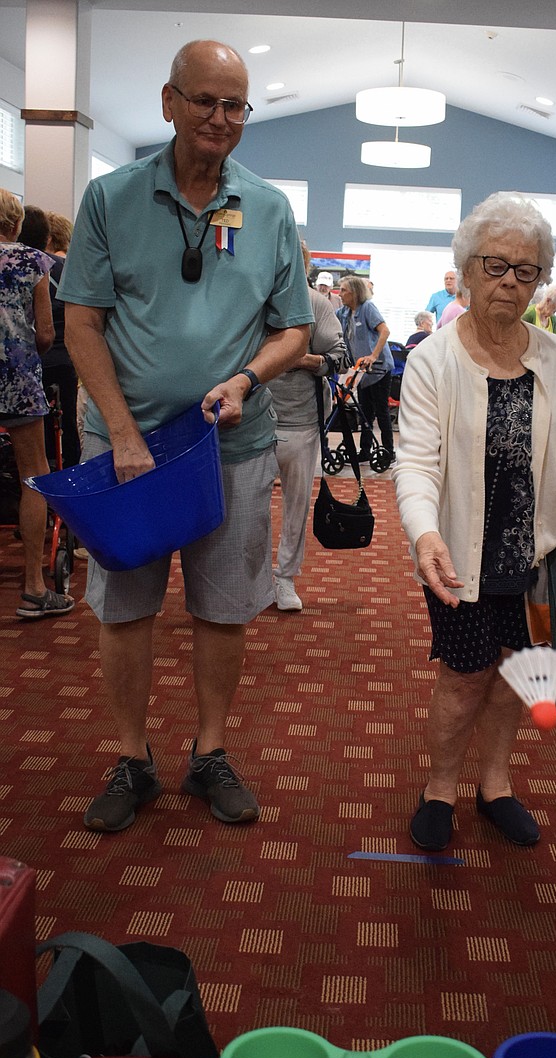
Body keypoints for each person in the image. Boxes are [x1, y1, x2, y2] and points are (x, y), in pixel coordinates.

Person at [59, 39, 312, 833]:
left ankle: (210, 753)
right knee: (124, 606)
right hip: (126, 447)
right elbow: (81, 323)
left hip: (230, 444)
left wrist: (246, 380)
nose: (220, 118)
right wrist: (123, 433)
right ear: (169, 102)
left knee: (225, 608)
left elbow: (294, 330)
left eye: (235, 105)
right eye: (205, 100)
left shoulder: (267, 208)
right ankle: (131, 758)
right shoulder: (111, 197)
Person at [394, 191, 556, 853]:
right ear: (466, 269)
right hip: (458, 552)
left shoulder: (553, 354)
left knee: (517, 668)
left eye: (526, 269)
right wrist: (424, 532)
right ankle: (439, 789)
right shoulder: (433, 360)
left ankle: (495, 784)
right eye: (495, 265)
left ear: (540, 280)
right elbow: (415, 464)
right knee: (464, 676)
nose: (510, 281)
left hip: (535, 553)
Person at [0, 190, 74, 620]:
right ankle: (32, 587)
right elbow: (45, 334)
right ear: (16, 225)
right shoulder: (34, 262)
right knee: (34, 475)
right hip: (18, 380)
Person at [269, 241, 345, 612]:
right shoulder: (255, 299)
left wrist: (297, 359)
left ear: (303, 265)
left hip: (301, 422)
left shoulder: (316, 304)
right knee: (246, 507)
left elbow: (338, 358)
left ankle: (285, 577)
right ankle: (254, 578)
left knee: (296, 506)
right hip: (251, 420)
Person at [19, 207, 81, 470]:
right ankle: (72, 474)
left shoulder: (15, 266)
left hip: (30, 362)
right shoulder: (65, 268)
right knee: (70, 424)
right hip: (66, 357)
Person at [336, 274, 394, 463]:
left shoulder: (367, 308)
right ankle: (365, 450)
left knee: (381, 411)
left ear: (354, 293)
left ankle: (389, 451)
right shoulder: (344, 313)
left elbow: (385, 331)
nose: (340, 294)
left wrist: (374, 356)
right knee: (365, 411)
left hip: (379, 368)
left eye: (343, 290)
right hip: (361, 370)